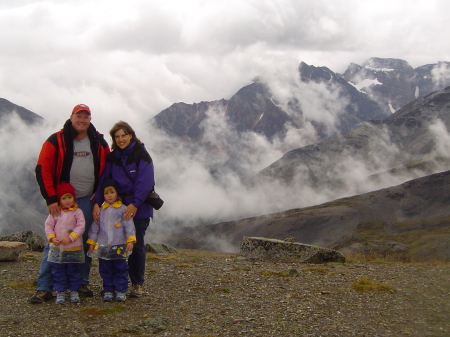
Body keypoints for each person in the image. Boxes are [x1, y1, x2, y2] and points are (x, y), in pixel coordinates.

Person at [31, 104, 110, 304]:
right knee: (55, 242)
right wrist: (51, 199)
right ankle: (45, 287)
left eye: (86, 116)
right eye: (79, 116)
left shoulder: (98, 141)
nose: (82, 120)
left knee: (84, 242)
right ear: (71, 117)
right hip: (63, 202)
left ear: (90, 119)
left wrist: (99, 199)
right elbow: (43, 169)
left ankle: (80, 283)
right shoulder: (56, 140)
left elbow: (108, 170)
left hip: (89, 199)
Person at [93, 121, 154, 298]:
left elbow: (145, 182)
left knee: (136, 244)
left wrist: (135, 204)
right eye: (117, 136)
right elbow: (104, 182)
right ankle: (113, 285)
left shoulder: (141, 155)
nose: (120, 139)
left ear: (131, 135)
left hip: (138, 208)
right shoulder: (113, 158)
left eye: (123, 135)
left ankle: (136, 283)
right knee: (112, 245)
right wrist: (97, 202)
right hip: (115, 208)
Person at [87, 178, 136, 302]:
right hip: (103, 246)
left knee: (120, 268)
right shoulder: (100, 210)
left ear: (117, 193)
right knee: (105, 269)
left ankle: (120, 290)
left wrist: (130, 240)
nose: (109, 196)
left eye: (112, 192)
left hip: (119, 245)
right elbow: (95, 227)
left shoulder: (123, 209)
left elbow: (129, 226)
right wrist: (92, 242)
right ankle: (108, 290)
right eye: (106, 193)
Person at [45, 182, 85, 304]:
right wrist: (52, 238)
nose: (67, 201)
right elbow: (48, 225)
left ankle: (74, 290)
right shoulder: (55, 212)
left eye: (70, 197)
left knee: (73, 270)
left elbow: (81, 226)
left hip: (73, 248)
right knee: (58, 270)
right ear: (59, 199)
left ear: (74, 198)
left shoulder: (77, 212)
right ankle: (60, 291)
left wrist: (71, 237)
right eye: (64, 198)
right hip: (57, 248)